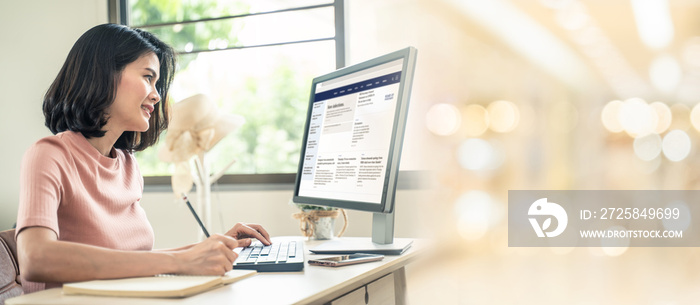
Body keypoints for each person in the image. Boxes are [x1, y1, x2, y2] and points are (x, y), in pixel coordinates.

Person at [15, 23, 270, 293]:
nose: (157, 95)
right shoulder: (49, 155)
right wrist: (182, 260)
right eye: (148, 77)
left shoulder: (127, 166)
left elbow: (130, 261)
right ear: (104, 74)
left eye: (157, 82)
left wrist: (210, 247)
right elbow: (35, 259)